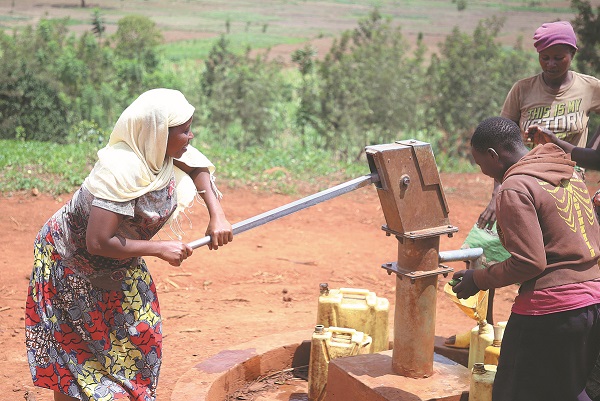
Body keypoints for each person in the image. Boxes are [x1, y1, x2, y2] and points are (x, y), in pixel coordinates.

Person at [25, 88, 234, 401]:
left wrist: (217, 215)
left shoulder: (159, 153)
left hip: (119, 260)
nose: (190, 137)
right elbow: (98, 241)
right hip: (69, 264)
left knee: (138, 337)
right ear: (157, 133)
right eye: (184, 131)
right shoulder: (120, 170)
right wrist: (159, 248)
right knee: (78, 354)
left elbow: (196, 167)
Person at [446, 19, 600, 349]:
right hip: (522, 181)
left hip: (558, 183)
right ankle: (484, 329)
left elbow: (530, 263)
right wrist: (498, 194)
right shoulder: (523, 89)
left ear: (572, 53)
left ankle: (531, 321)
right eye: (545, 57)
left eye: (559, 57)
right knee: (496, 247)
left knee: (546, 255)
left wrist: (588, 154)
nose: (551, 63)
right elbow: (502, 133)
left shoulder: (588, 87)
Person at [452, 116, 600, 401]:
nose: (483, 171)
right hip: (592, 302)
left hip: (551, 310)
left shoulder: (515, 187)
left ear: (494, 156)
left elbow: (530, 262)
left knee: (514, 391)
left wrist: (478, 278)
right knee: (568, 390)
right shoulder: (566, 172)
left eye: (480, 162)